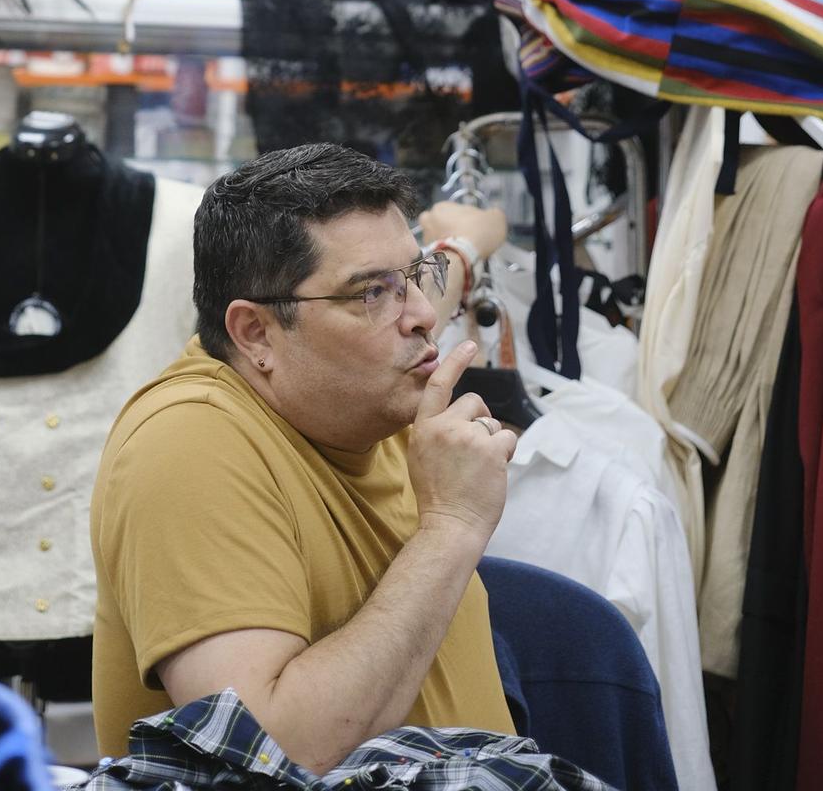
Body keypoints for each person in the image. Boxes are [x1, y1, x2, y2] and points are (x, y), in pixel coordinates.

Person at [91, 143, 518, 772]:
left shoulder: (362, 382)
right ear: (255, 333)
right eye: (372, 293)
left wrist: (459, 252)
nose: (425, 317)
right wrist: (452, 527)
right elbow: (269, 753)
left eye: (416, 276)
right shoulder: (188, 444)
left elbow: (424, 291)